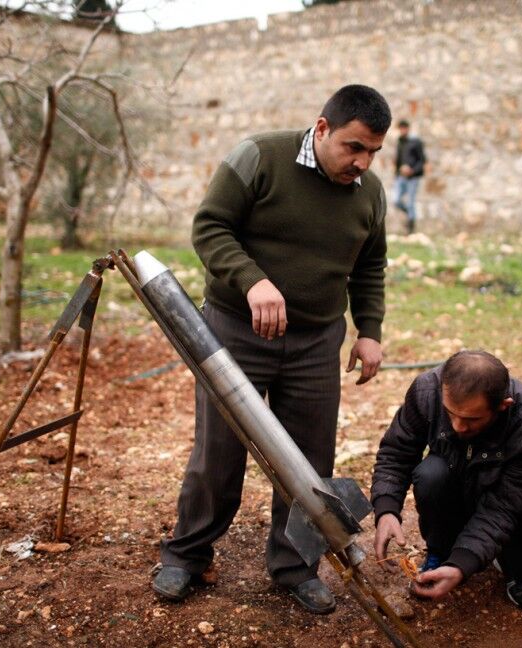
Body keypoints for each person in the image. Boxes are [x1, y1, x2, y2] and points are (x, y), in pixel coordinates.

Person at [152, 85, 392, 615]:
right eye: (354, 147)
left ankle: (293, 566)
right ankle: (186, 555)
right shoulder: (259, 156)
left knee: (309, 461)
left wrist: (368, 329)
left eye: (373, 151)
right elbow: (209, 228)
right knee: (218, 452)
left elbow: (370, 266)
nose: (363, 162)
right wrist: (252, 280)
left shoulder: (369, 193)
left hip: (316, 341)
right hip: (236, 332)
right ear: (323, 128)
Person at [370, 350, 522, 609]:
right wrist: (386, 510)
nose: (458, 426)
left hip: (507, 499)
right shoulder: (427, 392)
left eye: (472, 419)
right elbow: (396, 452)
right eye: (451, 414)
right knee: (431, 473)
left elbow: (504, 507)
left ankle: (517, 568)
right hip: (456, 489)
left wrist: (464, 564)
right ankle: (441, 552)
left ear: (503, 405)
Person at [392, 119, 425, 234]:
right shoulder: (400, 141)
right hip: (401, 176)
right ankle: (411, 215)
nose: (402, 130)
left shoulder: (416, 142)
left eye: (404, 128)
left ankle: (411, 228)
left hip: (413, 177)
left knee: (411, 202)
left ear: (408, 128)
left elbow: (422, 160)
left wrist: (412, 170)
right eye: (400, 128)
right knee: (396, 200)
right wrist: (397, 173)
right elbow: (398, 159)